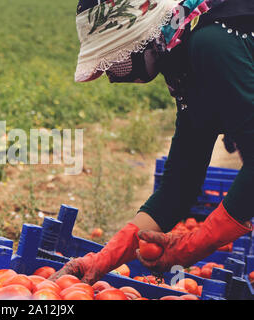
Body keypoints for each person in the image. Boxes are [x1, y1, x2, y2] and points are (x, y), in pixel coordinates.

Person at [49, 0, 253, 284]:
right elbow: (179, 186)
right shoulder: (184, 66)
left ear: (142, 37)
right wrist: (102, 259)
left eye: (115, 57)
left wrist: (195, 244)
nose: (112, 73)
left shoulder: (213, 43)